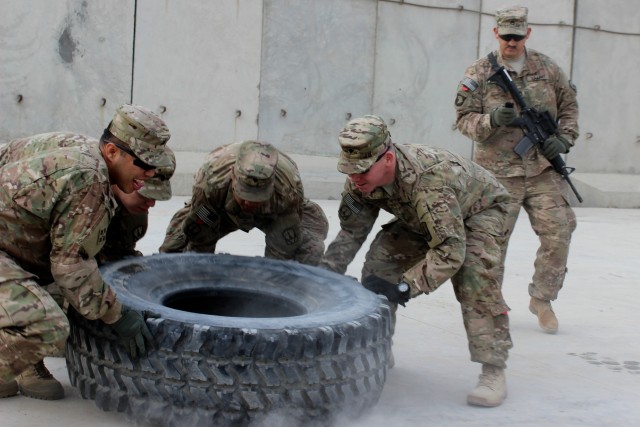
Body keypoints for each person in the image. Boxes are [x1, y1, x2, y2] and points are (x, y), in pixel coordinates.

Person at [320, 115, 513, 407]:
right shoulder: (359, 181)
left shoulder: (429, 181)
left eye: (361, 170)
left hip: (480, 211)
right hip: (423, 218)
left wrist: (406, 287)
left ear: (386, 160)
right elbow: (350, 234)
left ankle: (493, 370)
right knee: (379, 268)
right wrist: (323, 279)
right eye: (349, 170)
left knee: (474, 277)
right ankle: (379, 348)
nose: (354, 178)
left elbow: (450, 251)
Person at [0, 104, 173, 400]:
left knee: (65, 295)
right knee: (51, 326)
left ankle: (20, 360)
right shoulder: (89, 180)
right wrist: (117, 315)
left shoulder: (81, 149)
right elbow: (71, 268)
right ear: (112, 151)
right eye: (145, 163)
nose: (150, 173)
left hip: (14, 246)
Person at [454, 6, 579, 334]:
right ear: (496, 33)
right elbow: (463, 119)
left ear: (528, 33)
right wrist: (489, 121)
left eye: (517, 36)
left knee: (560, 232)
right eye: (506, 35)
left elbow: (569, 106)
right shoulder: (480, 72)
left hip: (541, 170)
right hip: (498, 174)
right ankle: (492, 307)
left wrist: (563, 139)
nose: (512, 41)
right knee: (491, 243)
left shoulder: (547, 68)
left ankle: (542, 298)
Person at [160, 140, 328, 266]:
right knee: (179, 243)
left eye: (256, 197)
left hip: (273, 212)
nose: (249, 203)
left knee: (309, 248)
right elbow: (202, 239)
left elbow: (281, 252)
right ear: (233, 176)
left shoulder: (288, 189)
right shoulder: (210, 181)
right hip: (222, 209)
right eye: (244, 195)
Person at [96, 147, 176, 265]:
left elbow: (116, 256)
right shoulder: (88, 196)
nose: (151, 204)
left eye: (154, 198)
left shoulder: (134, 215)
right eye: (145, 195)